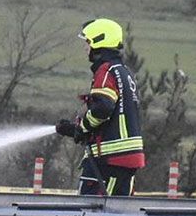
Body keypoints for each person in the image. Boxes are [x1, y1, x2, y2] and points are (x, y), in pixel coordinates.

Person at [56, 18, 145, 196]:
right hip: (127, 159)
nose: (85, 48)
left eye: (88, 42)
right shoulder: (124, 72)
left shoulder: (106, 71)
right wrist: (77, 129)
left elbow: (103, 107)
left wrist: (82, 127)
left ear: (98, 42)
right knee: (118, 211)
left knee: (89, 209)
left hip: (108, 160)